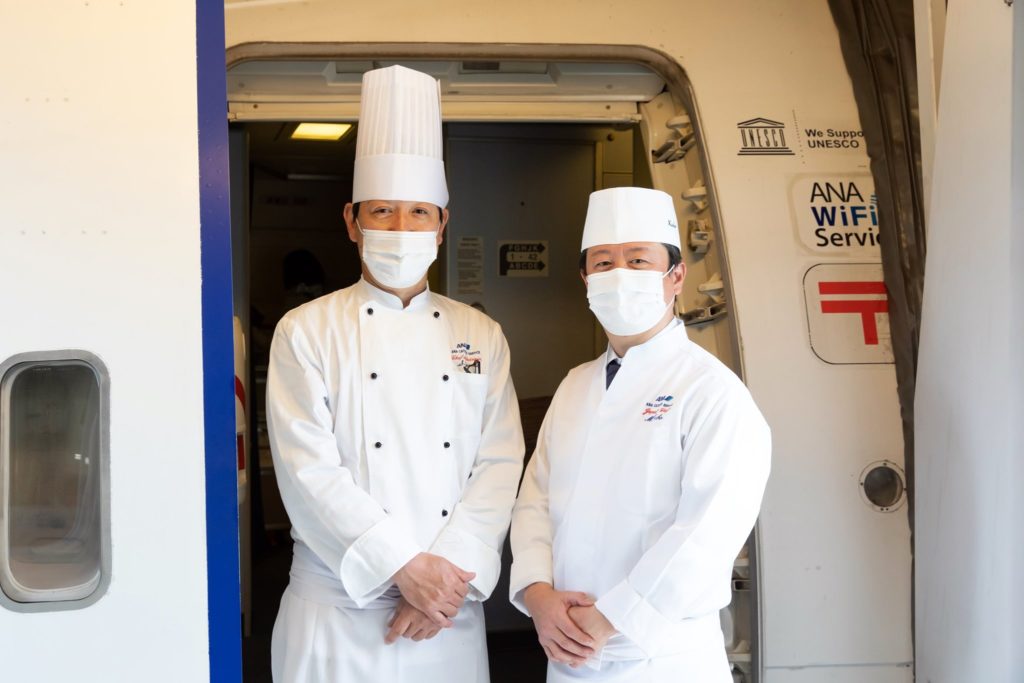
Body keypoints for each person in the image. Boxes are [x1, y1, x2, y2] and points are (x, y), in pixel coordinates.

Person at [267, 65, 525, 683]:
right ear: (353, 221)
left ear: (442, 222)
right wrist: (401, 567)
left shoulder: (480, 333)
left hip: (446, 608)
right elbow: (309, 473)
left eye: (417, 212)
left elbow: (498, 464)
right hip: (336, 609)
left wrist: (444, 578)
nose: (400, 229)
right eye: (382, 211)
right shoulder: (305, 330)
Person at [509, 187, 771, 682]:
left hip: (661, 656)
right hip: (565, 650)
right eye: (603, 262)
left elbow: (710, 529)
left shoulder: (711, 391)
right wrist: (537, 593)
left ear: (675, 277)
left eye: (637, 260)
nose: (619, 274)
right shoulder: (575, 385)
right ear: (585, 279)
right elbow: (535, 501)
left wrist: (613, 617)